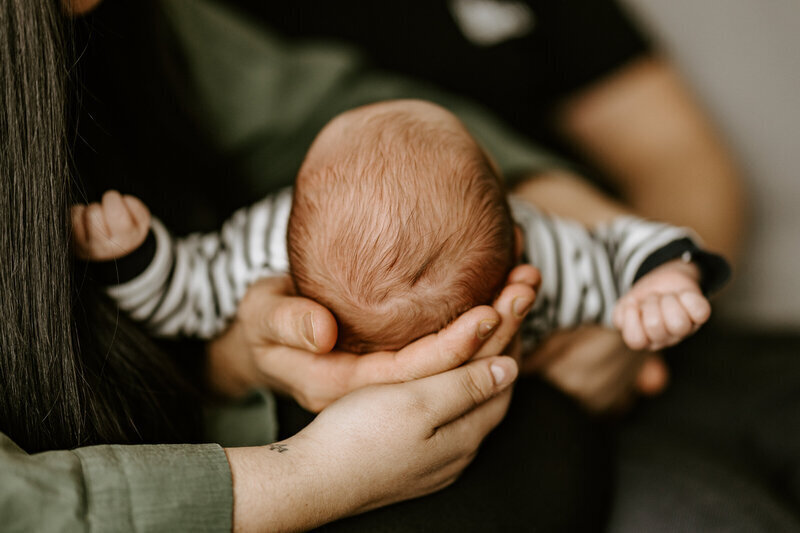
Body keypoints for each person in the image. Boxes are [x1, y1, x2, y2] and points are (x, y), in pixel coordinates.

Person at [0, 1, 610, 531]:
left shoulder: (167, 31)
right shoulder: (258, 246)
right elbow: (185, 289)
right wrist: (312, 477)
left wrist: (606, 264)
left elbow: (364, 119)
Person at [73, 99, 725, 357]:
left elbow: (183, 293)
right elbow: (629, 241)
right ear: (517, 238)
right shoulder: (547, 261)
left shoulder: (264, 249)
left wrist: (133, 256)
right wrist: (663, 281)